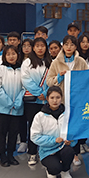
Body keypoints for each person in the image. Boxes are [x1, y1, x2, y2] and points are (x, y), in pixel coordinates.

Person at [48, 34, 89, 166]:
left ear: (76, 47)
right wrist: (58, 78)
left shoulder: (81, 61)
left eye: (72, 44)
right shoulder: (56, 62)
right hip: (61, 101)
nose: (69, 47)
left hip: (76, 102)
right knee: (61, 128)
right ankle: (59, 153)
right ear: (62, 46)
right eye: (66, 44)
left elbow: (88, 79)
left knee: (74, 128)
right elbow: (49, 81)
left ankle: (75, 154)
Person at [31, 86, 75, 178]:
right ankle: (50, 169)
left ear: (62, 98)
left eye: (58, 97)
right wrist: (54, 140)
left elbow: (74, 132)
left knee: (69, 151)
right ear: (47, 99)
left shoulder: (67, 115)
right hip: (47, 151)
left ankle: (65, 171)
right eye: (52, 97)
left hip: (63, 147)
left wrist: (71, 141)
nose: (55, 100)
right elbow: (34, 137)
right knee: (54, 170)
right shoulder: (40, 116)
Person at [0, 45, 25, 167]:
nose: (11, 56)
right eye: (8, 54)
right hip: (2, 108)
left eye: (14, 53)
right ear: (4, 56)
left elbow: (24, 87)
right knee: (2, 132)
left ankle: (11, 155)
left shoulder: (22, 70)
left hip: (17, 108)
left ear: (18, 55)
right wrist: (8, 102)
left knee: (13, 132)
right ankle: (2, 156)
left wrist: (18, 102)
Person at [22, 37, 52, 166]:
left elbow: (53, 79)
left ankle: (47, 152)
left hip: (48, 100)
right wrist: (38, 92)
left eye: (42, 46)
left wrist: (46, 94)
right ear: (33, 48)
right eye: (37, 46)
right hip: (33, 102)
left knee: (48, 127)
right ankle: (32, 153)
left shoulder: (51, 62)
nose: (40, 48)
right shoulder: (27, 62)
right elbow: (25, 79)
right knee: (33, 127)